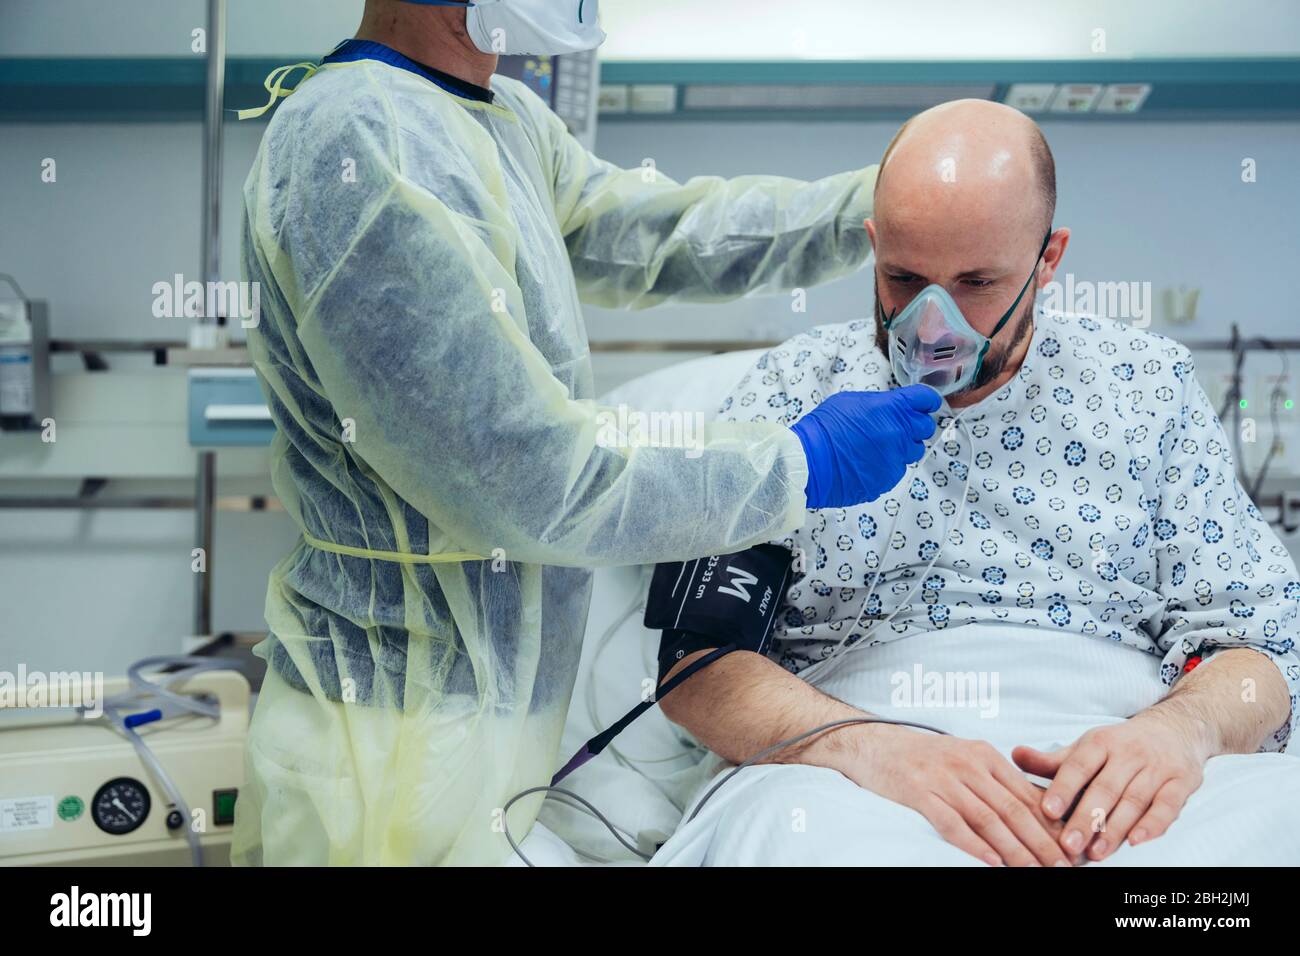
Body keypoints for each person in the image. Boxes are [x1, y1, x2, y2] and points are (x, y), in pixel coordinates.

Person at [230, 0, 937, 865]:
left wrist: (878, 204)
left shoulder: (502, 118)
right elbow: (527, 480)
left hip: (495, 721)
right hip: (390, 729)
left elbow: (658, 238)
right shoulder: (361, 144)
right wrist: (796, 463)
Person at [651, 99, 1300, 867]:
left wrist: (1177, 733)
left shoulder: (1149, 386)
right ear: (873, 246)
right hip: (849, 764)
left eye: (977, 282)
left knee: (1276, 817)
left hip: (1112, 745)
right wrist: (874, 748)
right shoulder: (793, 390)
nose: (932, 325)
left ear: (1048, 259)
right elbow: (697, 669)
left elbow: (1261, 645)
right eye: (904, 278)